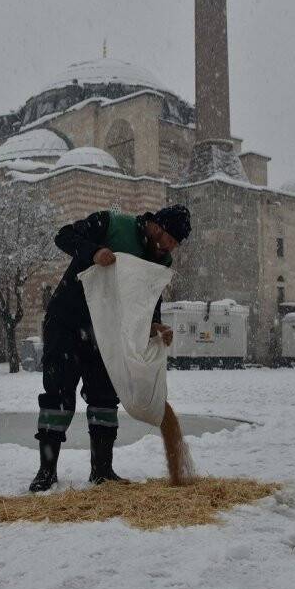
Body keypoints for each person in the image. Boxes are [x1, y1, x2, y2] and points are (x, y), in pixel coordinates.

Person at [29, 204, 191, 493]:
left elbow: (149, 297)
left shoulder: (160, 260)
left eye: (176, 244)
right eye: (170, 239)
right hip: (67, 319)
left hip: (108, 332)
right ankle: (46, 472)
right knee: (58, 394)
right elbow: (63, 236)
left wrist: (155, 324)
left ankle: (102, 471)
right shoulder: (112, 224)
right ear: (157, 225)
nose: (170, 248)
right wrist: (94, 252)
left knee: (104, 396)